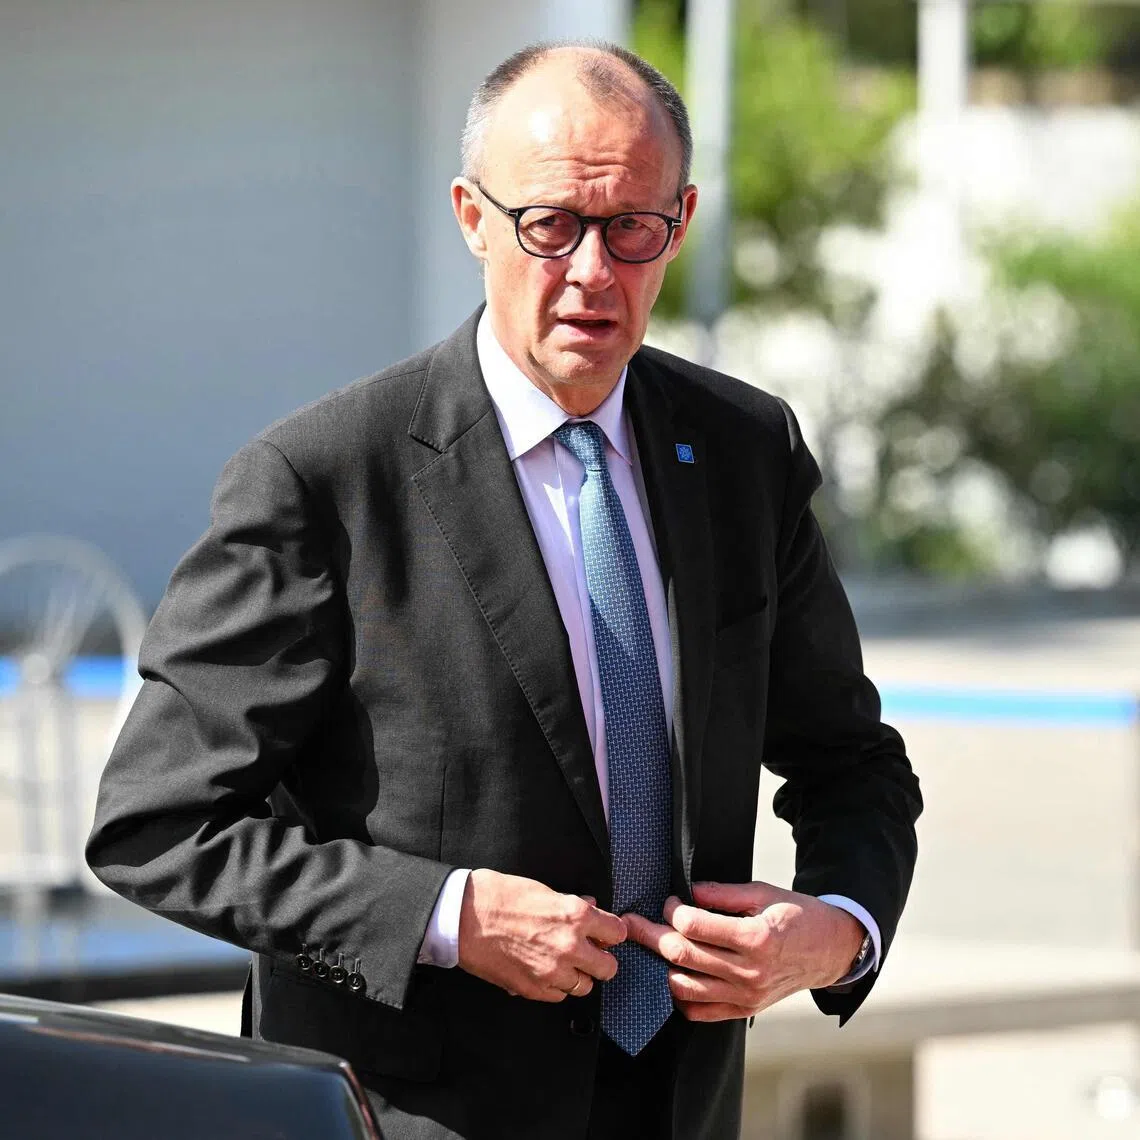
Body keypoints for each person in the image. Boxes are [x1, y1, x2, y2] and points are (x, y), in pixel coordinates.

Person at [86, 40, 921, 1140]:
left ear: (682, 220)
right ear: (473, 218)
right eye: (551, 226)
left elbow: (850, 760)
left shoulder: (743, 451)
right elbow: (157, 822)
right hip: (410, 1115)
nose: (592, 273)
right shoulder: (327, 478)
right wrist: (444, 916)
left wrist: (837, 928)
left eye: (633, 228)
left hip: (682, 1103)